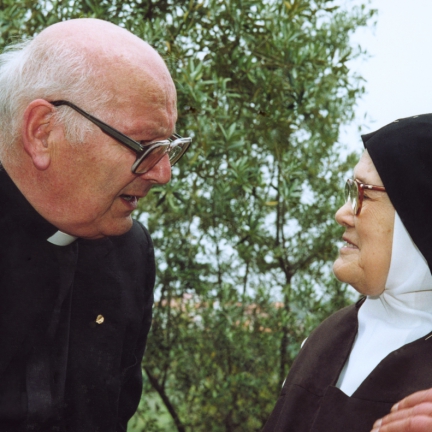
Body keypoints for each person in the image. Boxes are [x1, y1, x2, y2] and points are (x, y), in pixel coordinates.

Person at [0, 18, 191, 431]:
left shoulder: (130, 252)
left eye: (169, 148)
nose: (162, 174)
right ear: (43, 132)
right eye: (144, 146)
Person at [262, 114, 432, 432]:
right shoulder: (327, 337)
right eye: (349, 191)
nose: (342, 213)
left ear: (419, 213)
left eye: (363, 194)